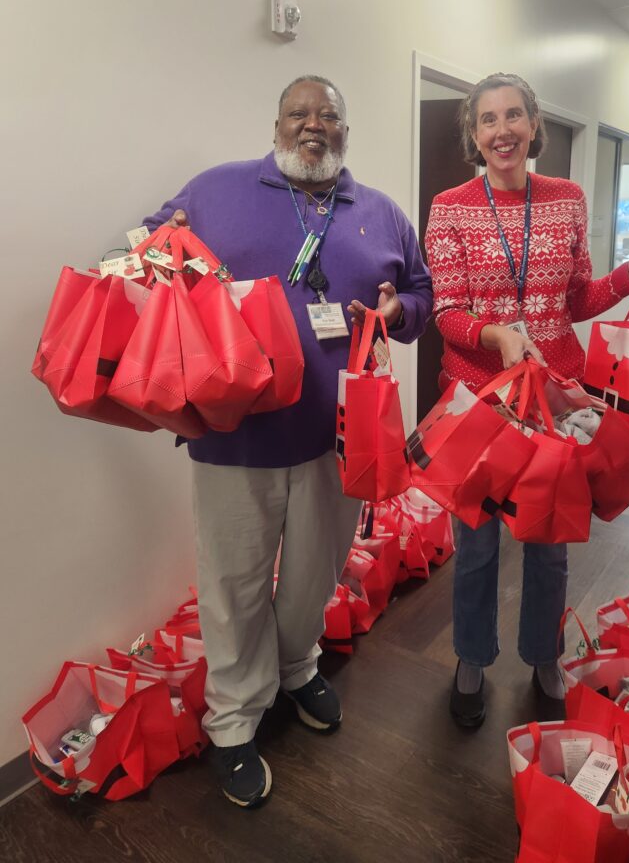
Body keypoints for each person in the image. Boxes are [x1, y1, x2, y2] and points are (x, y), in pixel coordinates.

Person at [144, 76, 432, 805]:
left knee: (314, 573)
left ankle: (298, 665)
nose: (314, 125)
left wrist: (401, 308)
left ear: (345, 130)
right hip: (234, 434)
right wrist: (163, 244)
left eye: (328, 115)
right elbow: (149, 250)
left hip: (341, 434)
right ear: (277, 126)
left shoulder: (382, 212)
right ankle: (235, 719)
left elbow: (422, 297)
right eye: (300, 113)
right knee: (234, 581)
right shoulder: (217, 190)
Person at [423, 72, 629, 727]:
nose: (501, 130)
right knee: (474, 542)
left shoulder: (566, 199)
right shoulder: (450, 206)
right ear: (474, 135)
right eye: (487, 120)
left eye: (513, 116)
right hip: (479, 397)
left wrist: (626, 277)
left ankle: (543, 657)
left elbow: (578, 297)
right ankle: (472, 656)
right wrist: (495, 335)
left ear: (535, 125)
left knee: (550, 540)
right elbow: (445, 312)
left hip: (557, 397)